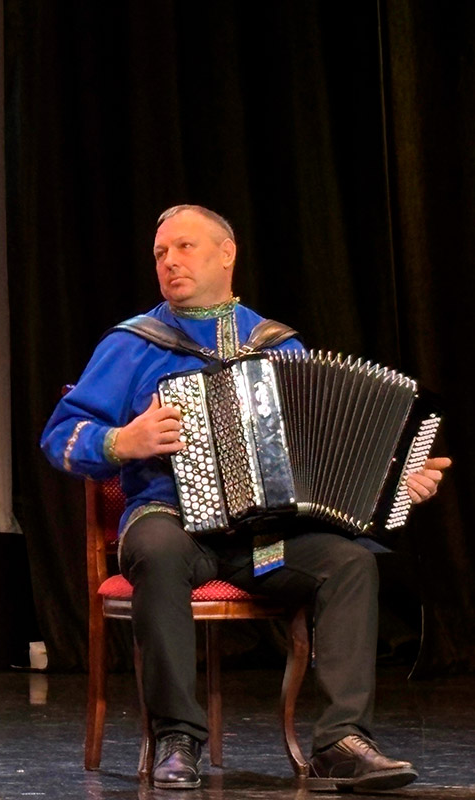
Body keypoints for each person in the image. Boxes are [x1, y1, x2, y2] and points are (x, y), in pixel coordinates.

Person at [41, 205, 450, 792]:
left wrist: (394, 485)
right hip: (172, 523)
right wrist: (122, 441)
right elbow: (60, 435)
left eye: (184, 247)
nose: (169, 262)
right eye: (160, 253)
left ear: (227, 254)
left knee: (349, 562)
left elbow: (324, 456)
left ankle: (341, 741)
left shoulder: (278, 345)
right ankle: (177, 737)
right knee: (157, 551)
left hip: (262, 546)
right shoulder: (133, 344)